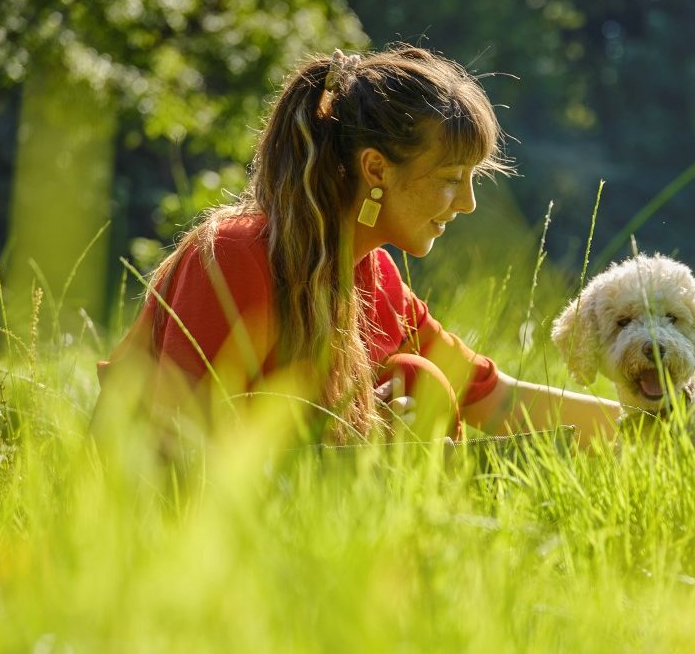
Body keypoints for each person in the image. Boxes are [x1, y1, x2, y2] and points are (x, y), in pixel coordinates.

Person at [93, 45, 621, 450]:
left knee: (424, 380)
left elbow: (490, 394)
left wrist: (662, 422)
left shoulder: (378, 278)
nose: (467, 204)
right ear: (376, 169)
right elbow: (178, 438)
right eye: (450, 178)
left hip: (296, 526)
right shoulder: (234, 254)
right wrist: (355, 435)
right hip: (163, 535)